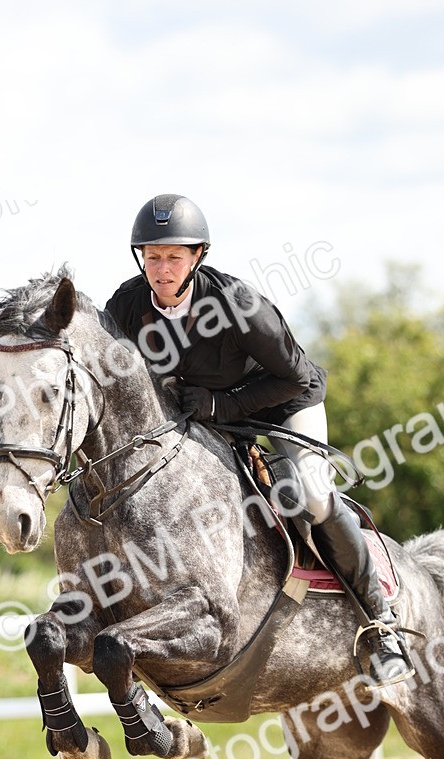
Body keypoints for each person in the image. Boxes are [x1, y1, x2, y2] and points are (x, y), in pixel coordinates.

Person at [105, 193, 413, 685]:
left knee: (311, 497)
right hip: (203, 417)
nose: (161, 268)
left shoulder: (235, 303)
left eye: (174, 256)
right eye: (152, 256)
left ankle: (382, 626)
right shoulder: (125, 305)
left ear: (197, 256)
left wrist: (219, 406)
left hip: (285, 404)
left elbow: (292, 377)